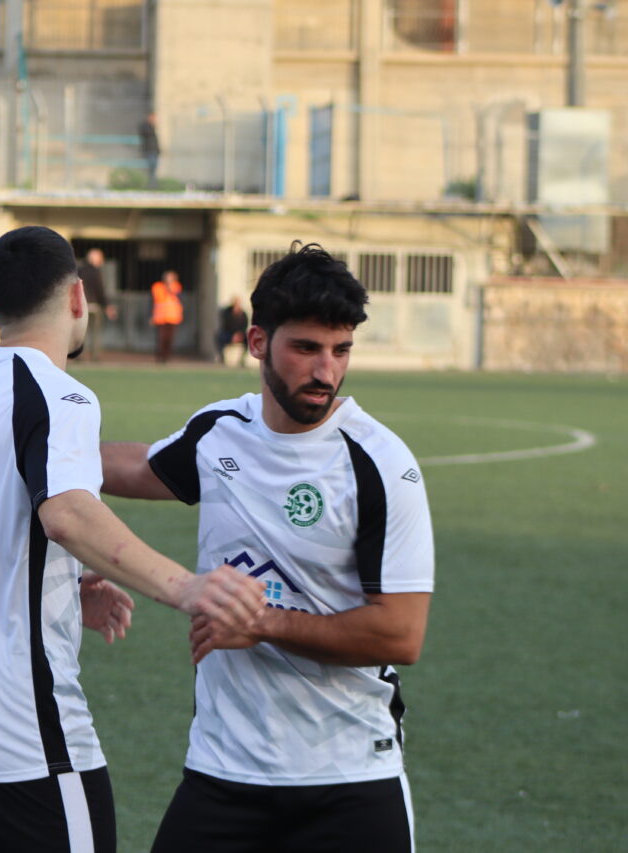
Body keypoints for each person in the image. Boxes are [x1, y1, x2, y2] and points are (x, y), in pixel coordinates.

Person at [0, 224, 265, 852]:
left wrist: (60, 584)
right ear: (79, 297)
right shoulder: (58, 393)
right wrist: (187, 588)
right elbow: (67, 514)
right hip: (10, 726)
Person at [100, 243, 435, 853]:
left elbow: (401, 635)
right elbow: (137, 468)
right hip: (224, 772)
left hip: (350, 778)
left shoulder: (381, 464)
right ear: (257, 342)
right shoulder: (219, 431)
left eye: (340, 350)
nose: (326, 371)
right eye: (306, 348)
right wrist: (38, 446)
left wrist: (260, 623)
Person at [76, 248, 117, 362]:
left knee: (82, 333)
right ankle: (95, 356)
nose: (101, 261)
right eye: (100, 258)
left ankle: (80, 356)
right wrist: (107, 306)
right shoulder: (96, 272)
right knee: (95, 333)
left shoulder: (79, 270)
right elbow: (100, 290)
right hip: (94, 306)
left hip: (82, 306)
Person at [150, 270, 183, 363]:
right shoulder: (157, 287)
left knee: (170, 338)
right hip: (160, 318)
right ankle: (160, 356)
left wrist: (170, 288)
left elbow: (179, 298)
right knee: (161, 338)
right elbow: (154, 301)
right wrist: (151, 315)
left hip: (173, 318)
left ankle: (167, 357)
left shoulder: (177, 287)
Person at [214, 295, 248, 366]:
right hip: (229, 333)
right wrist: (233, 335)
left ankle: (242, 359)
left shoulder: (243, 313)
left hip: (240, 334)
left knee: (248, 339)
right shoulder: (227, 312)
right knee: (219, 337)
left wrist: (239, 334)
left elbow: (245, 325)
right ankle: (221, 357)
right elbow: (226, 324)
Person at [138, 112, 160, 189]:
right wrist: (152, 125)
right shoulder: (145, 126)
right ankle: (151, 185)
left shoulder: (152, 127)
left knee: (153, 169)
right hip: (149, 150)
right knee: (151, 169)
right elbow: (145, 134)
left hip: (154, 151)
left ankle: (153, 185)